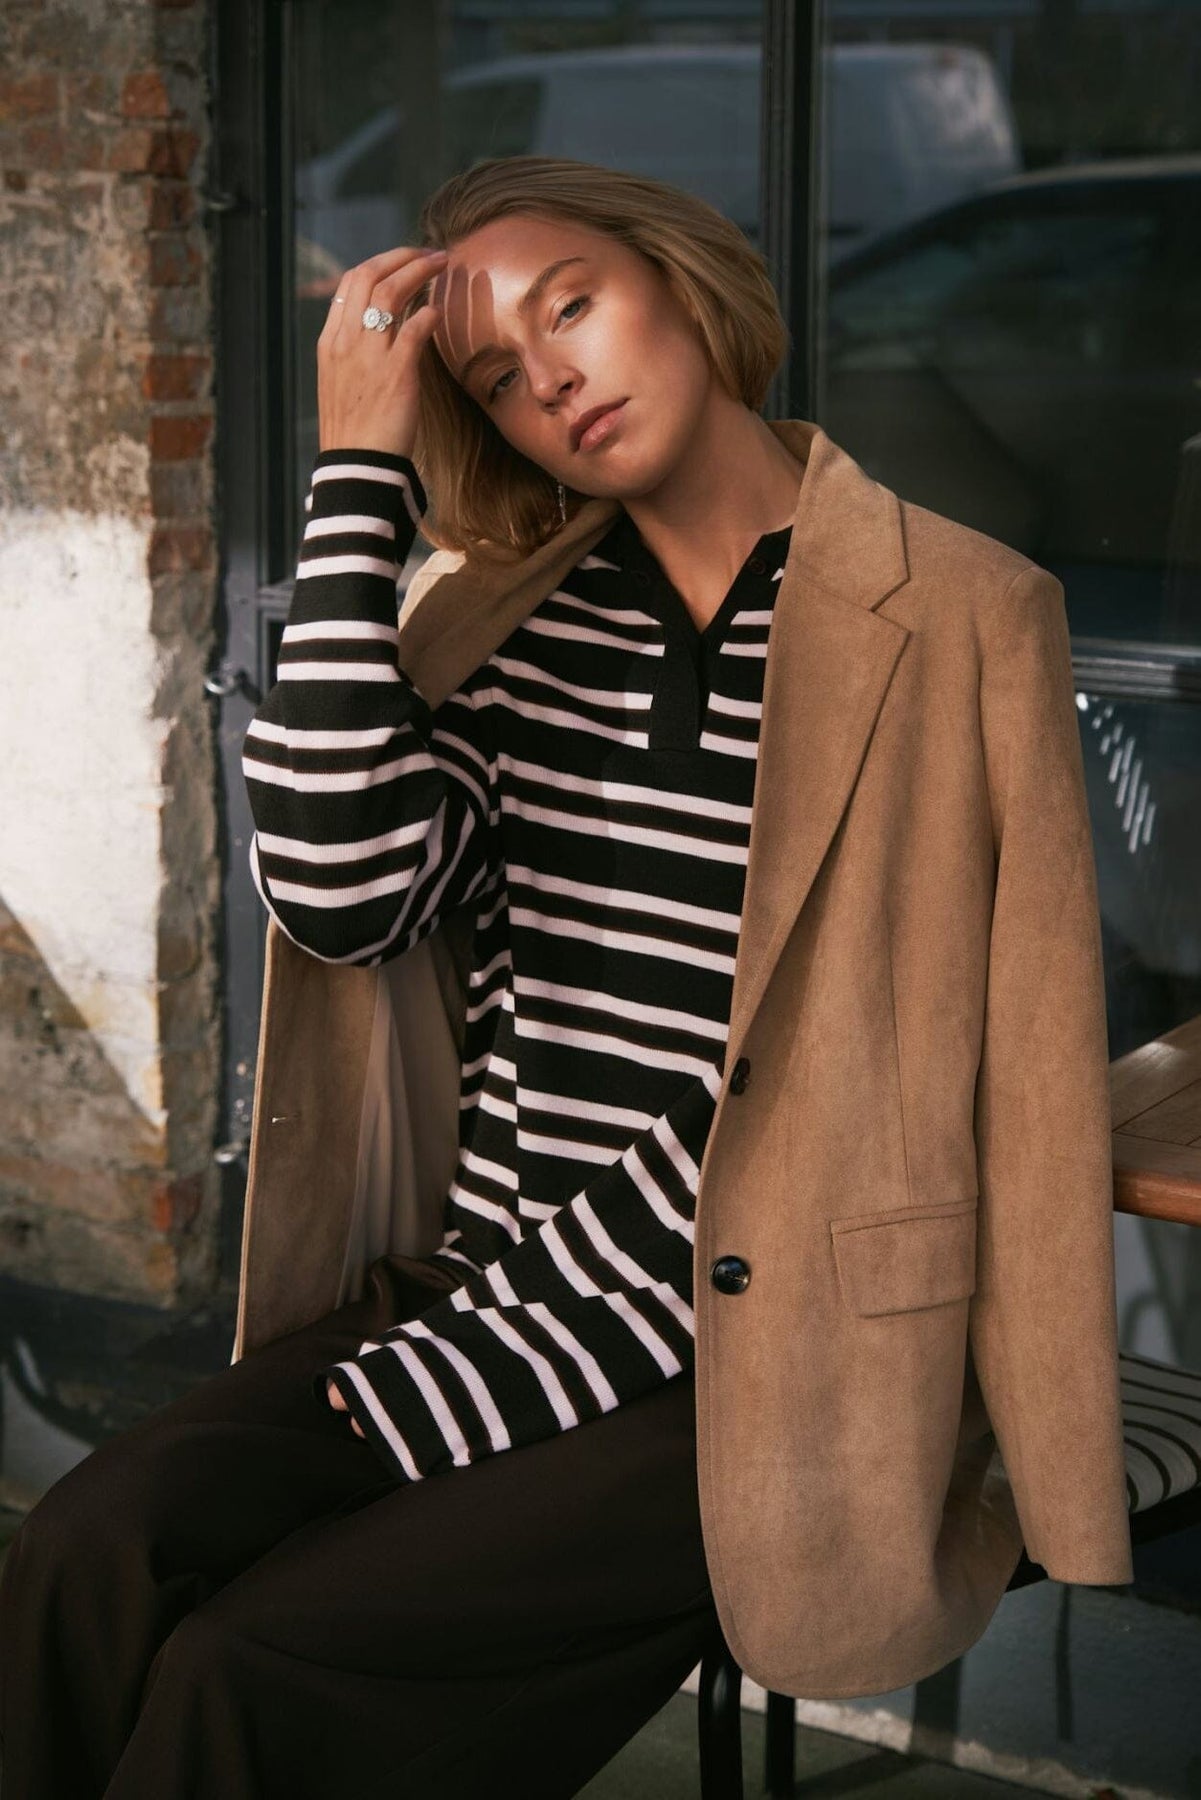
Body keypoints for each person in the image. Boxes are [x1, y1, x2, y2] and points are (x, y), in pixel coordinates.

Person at [0, 153, 817, 1799]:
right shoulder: (514, 630)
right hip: (482, 1287)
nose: (552, 382)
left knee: (249, 1672)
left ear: (684, 281)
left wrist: (548, 1313)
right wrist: (359, 472)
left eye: (571, 307)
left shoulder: (924, 619)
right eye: (497, 378)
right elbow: (337, 890)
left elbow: (922, 1057)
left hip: (752, 1343)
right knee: (83, 1549)